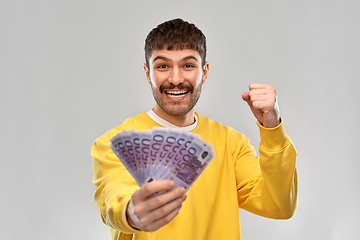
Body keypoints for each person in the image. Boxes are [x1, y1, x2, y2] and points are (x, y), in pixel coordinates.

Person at [91, 18, 298, 240]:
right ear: (147, 73)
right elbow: (112, 197)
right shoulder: (113, 142)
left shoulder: (231, 143)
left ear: (205, 71)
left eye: (188, 65)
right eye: (163, 66)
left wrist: (272, 127)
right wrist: (132, 212)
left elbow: (280, 205)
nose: (176, 79)